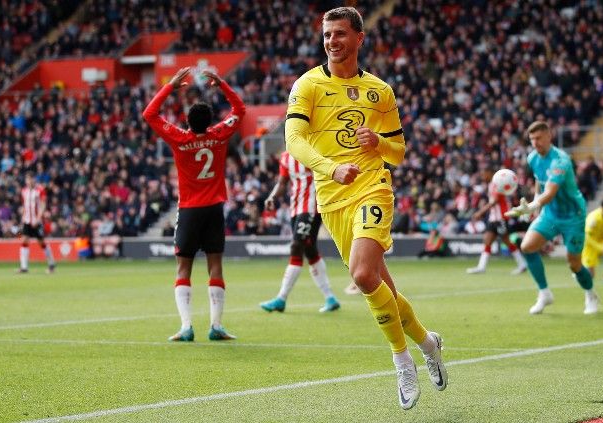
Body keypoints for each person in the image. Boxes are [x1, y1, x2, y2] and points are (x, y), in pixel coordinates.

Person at [284, 7, 447, 410]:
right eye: (326, 34)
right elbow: (294, 140)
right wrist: (331, 166)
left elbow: (400, 153)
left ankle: (401, 359)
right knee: (381, 286)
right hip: (332, 197)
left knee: (361, 274)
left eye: (340, 34)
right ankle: (428, 342)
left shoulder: (380, 91)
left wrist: (378, 143)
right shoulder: (307, 85)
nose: (332, 41)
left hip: (373, 188)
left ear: (359, 38)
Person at [142, 67, 245, 341]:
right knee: (215, 266)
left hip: (188, 210)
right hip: (214, 209)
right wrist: (222, 83)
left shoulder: (179, 138)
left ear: (187, 122)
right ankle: (216, 325)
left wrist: (169, 87)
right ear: (210, 121)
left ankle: (186, 327)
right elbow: (240, 110)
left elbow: (149, 115)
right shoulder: (219, 135)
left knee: (183, 268)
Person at [506, 121, 599, 315]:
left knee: (574, 263)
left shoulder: (561, 160)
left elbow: (550, 192)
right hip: (550, 213)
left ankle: (591, 294)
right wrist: (535, 207)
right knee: (527, 247)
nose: (535, 142)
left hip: (573, 215)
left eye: (539, 138)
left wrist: (532, 206)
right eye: (532, 139)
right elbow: (540, 184)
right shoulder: (533, 158)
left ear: (549, 136)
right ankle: (544, 293)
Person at [260, 151, 341, 313]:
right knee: (310, 251)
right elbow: (282, 183)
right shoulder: (285, 157)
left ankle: (281, 299)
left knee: (296, 246)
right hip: (296, 208)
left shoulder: (312, 149)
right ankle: (330, 298)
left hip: (312, 207)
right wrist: (272, 196)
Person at [466, 182, 527, 275]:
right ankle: (481, 266)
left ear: (489, 172)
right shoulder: (491, 184)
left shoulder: (498, 184)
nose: (482, 175)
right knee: (487, 241)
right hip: (493, 219)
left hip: (501, 219)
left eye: (484, 172)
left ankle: (522, 264)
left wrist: (480, 212)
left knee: (506, 241)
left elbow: (494, 201)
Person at [18, 172, 56, 274]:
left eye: (31, 179)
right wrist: (23, 216)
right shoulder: (24, 191)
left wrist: (38, 218)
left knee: (41, 242)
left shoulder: (40, 190)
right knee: (24, 240)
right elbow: (25, 205)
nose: (29, 181)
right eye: (27, 179)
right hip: (27, 220)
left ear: (34, 180)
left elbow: (43, 205)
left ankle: (51, 263)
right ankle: (24, 267)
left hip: (36, 221)